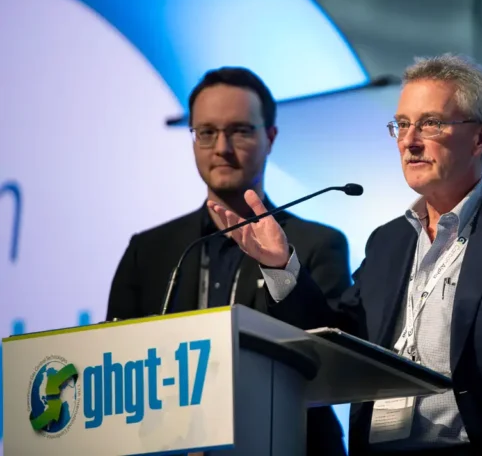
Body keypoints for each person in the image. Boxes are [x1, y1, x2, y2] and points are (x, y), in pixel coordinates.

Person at [209, 54, 482, 455]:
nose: (409, 141)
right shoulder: (388, 241)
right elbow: (339, 340)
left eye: (430, 123)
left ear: (481, 138)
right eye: (402, 125)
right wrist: (280, 265)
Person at [106, 66, 350, 456]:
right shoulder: (148, 250)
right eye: (206, 132)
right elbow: (112, 365)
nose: (221, 147)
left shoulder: (316, 243)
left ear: (270, 137)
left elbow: (328, 361)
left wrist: (279, 268)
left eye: (239, 130)